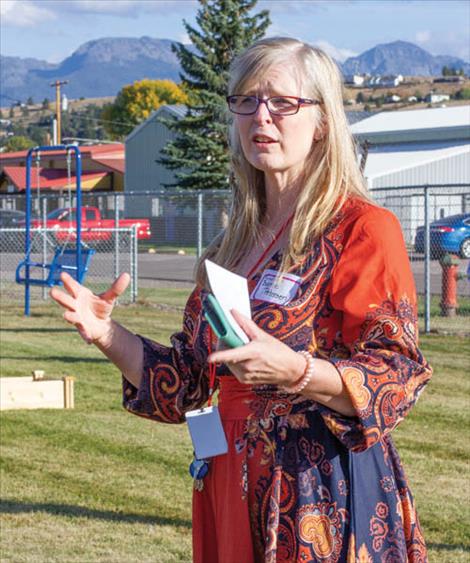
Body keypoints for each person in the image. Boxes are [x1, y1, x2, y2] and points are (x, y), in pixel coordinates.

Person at [51, 37, 432, 563]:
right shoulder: (233, 245)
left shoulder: (362, 229)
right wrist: (107, 335)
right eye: (247, 101)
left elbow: (396, 376)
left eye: (282, 102)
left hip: (319, 493)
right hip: (229, 482)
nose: (262, 116)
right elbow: (186, 381)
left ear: (322, 120)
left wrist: (297, 370)